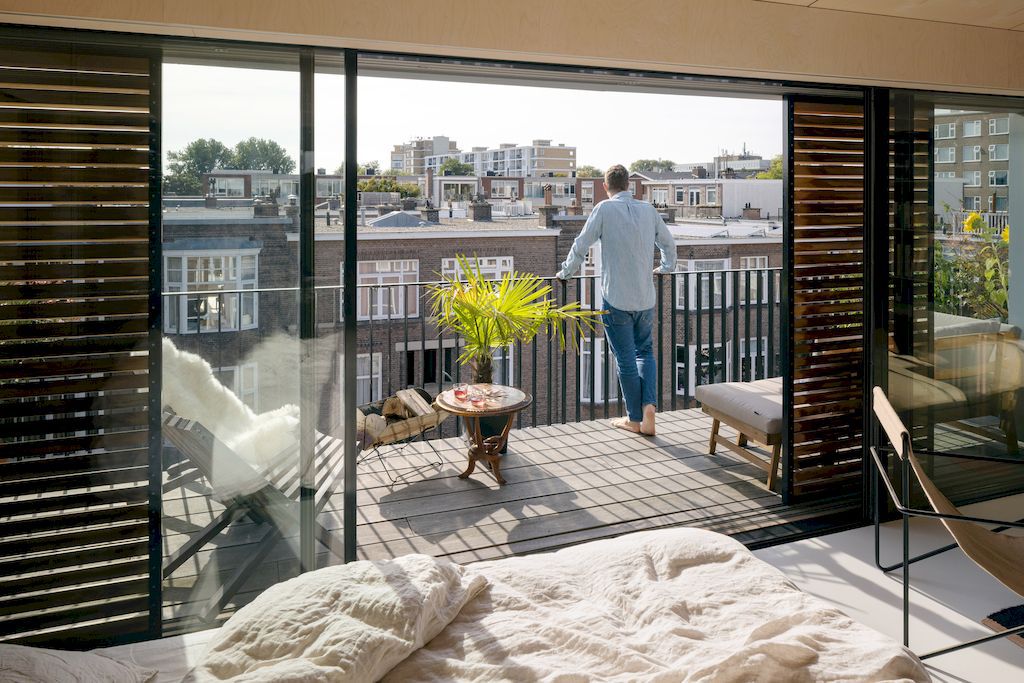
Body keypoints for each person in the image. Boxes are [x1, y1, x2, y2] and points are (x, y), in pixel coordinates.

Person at [557, 164, 676, 435]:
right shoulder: (649, 210)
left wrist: (566, 272)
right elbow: (669, 244)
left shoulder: (604, 209)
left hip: (616, 301)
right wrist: (666, 268)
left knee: (625, 360)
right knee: (645, 353)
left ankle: (635, 420)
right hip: (646, 299)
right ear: (629, 186)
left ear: (605, 185)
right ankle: (649, 411)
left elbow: (581, 244)